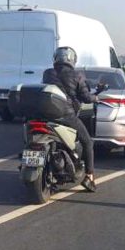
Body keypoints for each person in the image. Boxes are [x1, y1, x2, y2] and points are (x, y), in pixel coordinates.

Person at [42, 47, 98, 191]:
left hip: (45, 114)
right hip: (66, 115)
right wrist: (95, 97)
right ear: (72, 59)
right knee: (88, 142)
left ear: (56, 58)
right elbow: (86, 97)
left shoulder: (48, 73)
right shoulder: (77, 75)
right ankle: (89, 177)